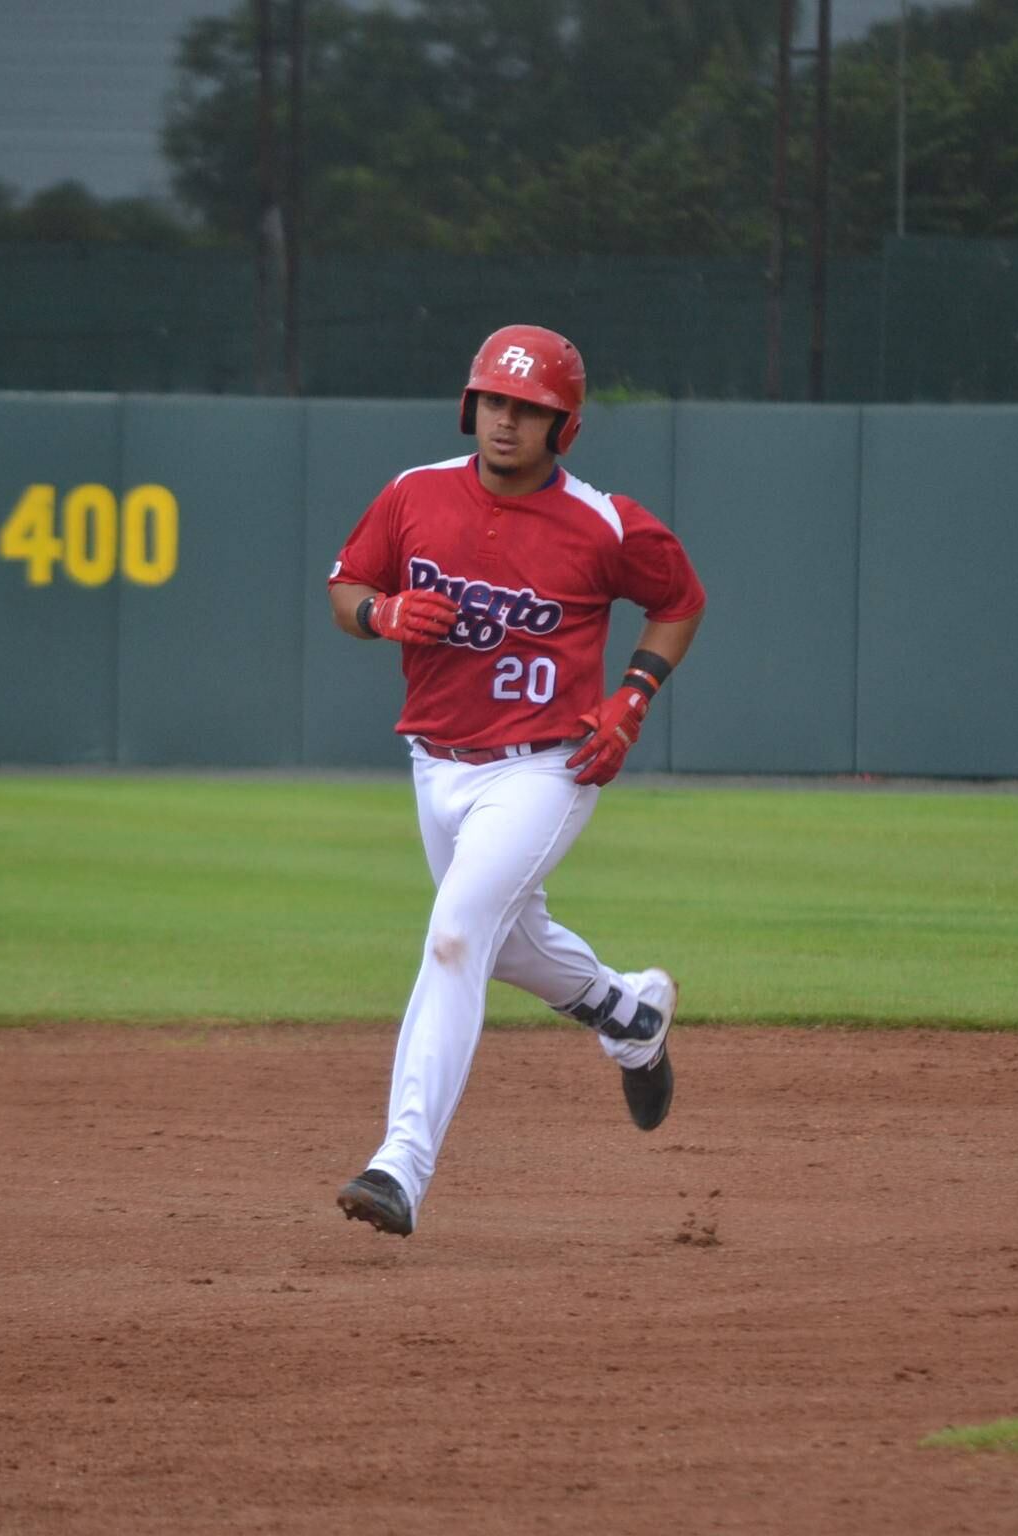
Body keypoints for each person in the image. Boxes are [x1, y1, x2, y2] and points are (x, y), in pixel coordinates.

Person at [324, 323, 708, 1237]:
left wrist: (633, 698)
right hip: (436, 763)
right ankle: (631, 1016)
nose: (506, 421)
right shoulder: (414, 493)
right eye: (495, 400)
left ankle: (400, 1165)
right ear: (472, 405)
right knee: (508, 943)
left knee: (458, 935)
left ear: (561, 425)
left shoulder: (602, 522)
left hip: (546, 764)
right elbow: (346, 587)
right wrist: (381, 613)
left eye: (528, 409)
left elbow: (679, 600)